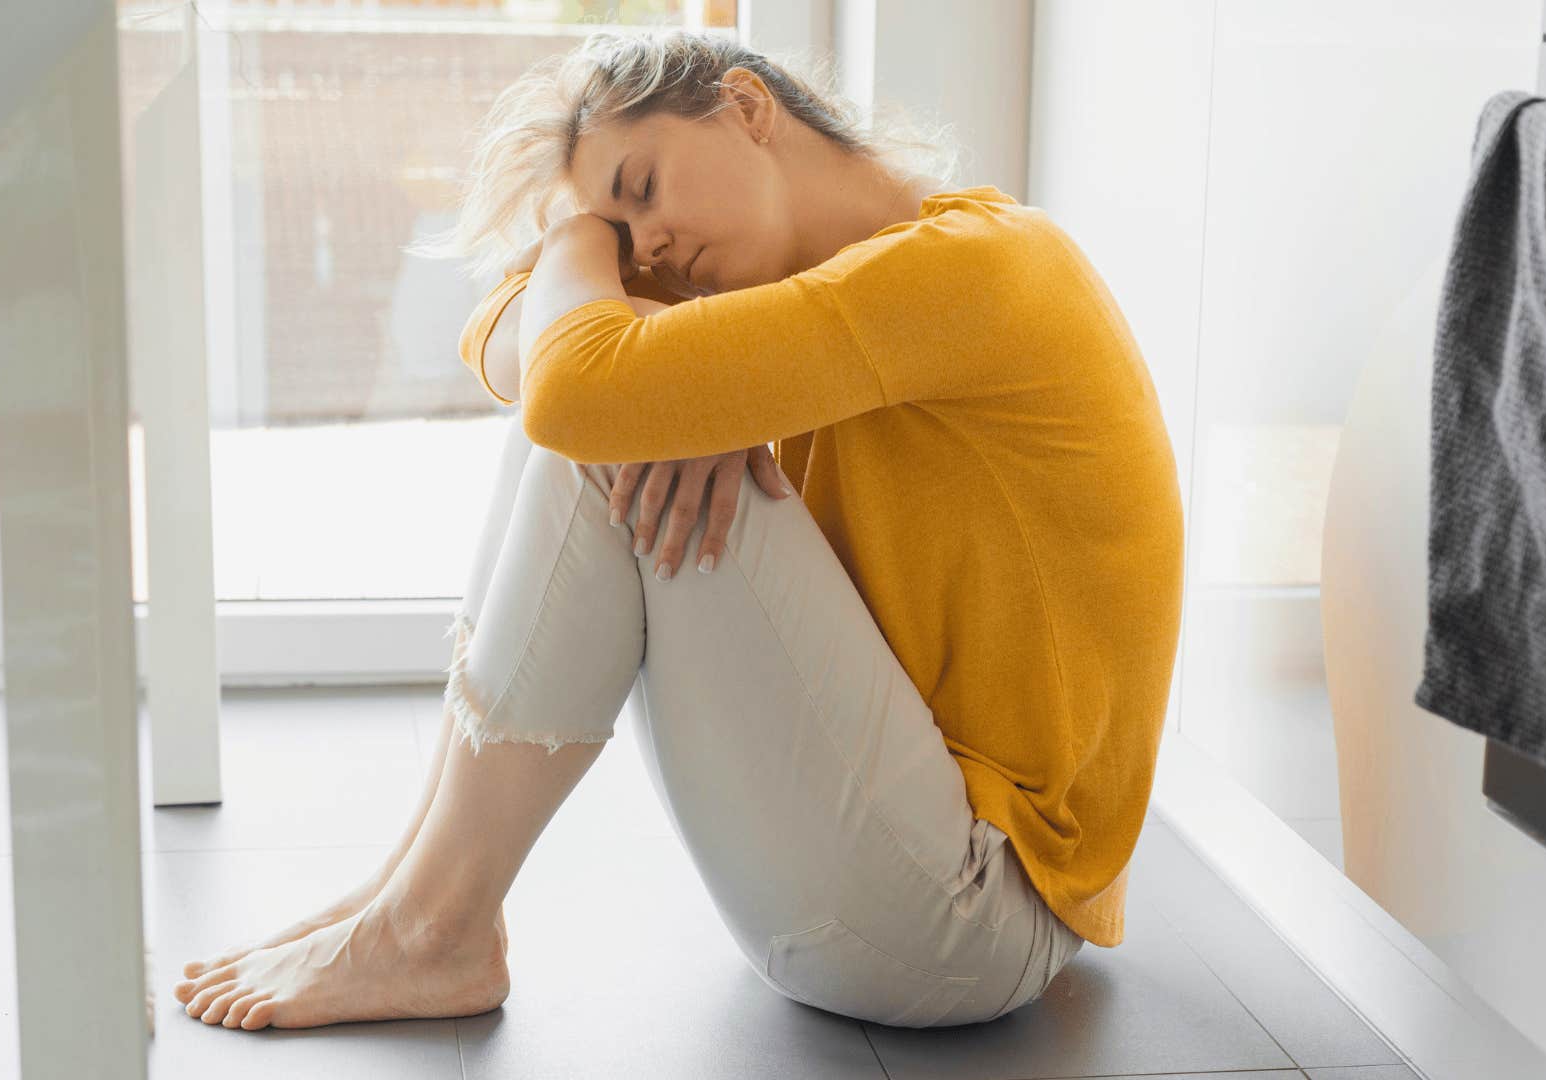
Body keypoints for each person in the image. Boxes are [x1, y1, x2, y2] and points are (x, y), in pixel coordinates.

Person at [171, 26, 1184, 1032]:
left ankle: (434, 925)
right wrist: (622, 311)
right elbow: (500, 341)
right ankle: (410, 892)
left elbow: (569, 384)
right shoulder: (783, 296)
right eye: (618, 234)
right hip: (874, 891)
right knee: (612, 418)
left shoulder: (975, 267)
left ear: (746, 109)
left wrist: (579, 252)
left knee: (610, 427)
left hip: (972, 916)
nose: (643, 247)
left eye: (641, 191)